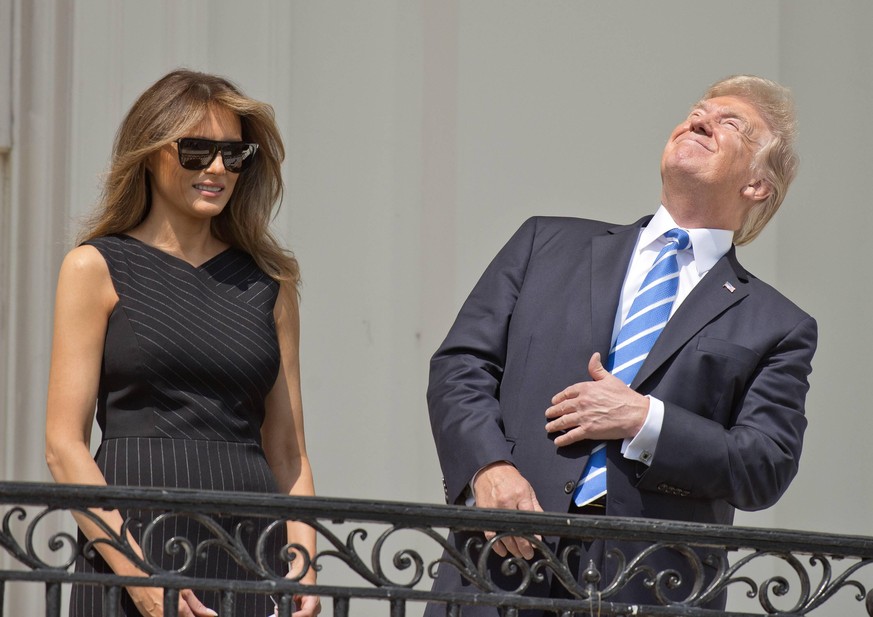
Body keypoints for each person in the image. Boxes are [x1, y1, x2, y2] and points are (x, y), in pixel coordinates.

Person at [425, 75, 817, 615]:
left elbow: (764, 466)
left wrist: (645, 420)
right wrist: (488, 469)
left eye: (732, 125)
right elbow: (461, 367)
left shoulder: (776, 324)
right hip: (500, 566)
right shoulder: (545, 243)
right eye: (697, 111)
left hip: (651, 589)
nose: (699, 119)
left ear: (757, 186)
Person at [45, 69, 320, 617]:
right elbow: (62, 445)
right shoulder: (94, 267)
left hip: (252, 544)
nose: (217, 168)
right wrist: (136, 573)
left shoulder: (270, 283)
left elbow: (289, 453)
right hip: (133, 539)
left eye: (233, 154)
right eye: (196, 151)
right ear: (150, 153)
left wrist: (305, 567)